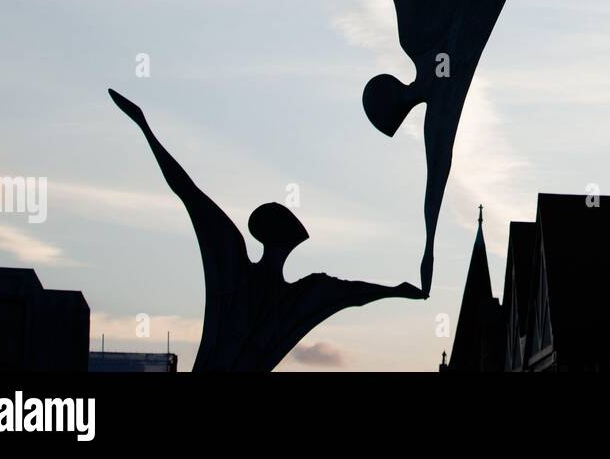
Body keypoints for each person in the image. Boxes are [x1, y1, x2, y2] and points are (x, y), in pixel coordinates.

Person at [108, 89, 422, 371]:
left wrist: (395, 291)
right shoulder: (238, 268)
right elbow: (189, 192)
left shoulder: (295, 293)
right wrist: (145, 129)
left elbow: (351, 293)